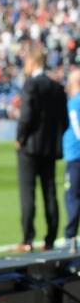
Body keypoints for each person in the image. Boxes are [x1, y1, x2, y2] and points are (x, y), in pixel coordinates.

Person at [12, 46, 68, 253]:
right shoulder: (56, 87)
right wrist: (54, 140)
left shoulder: (31, 85)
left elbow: (26, 116)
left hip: (30, 149)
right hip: (50, 149)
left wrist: (20, 138)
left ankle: (27, 240)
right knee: (50, 193)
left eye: (27, 62)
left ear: (34, 62)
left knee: (28, 194)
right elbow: (64, 120)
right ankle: (50, 240)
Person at [63, 69, 80, 247]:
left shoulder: (74, 103)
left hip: (76, 157)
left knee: (72, 196)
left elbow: (77, 131)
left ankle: (70, 237)